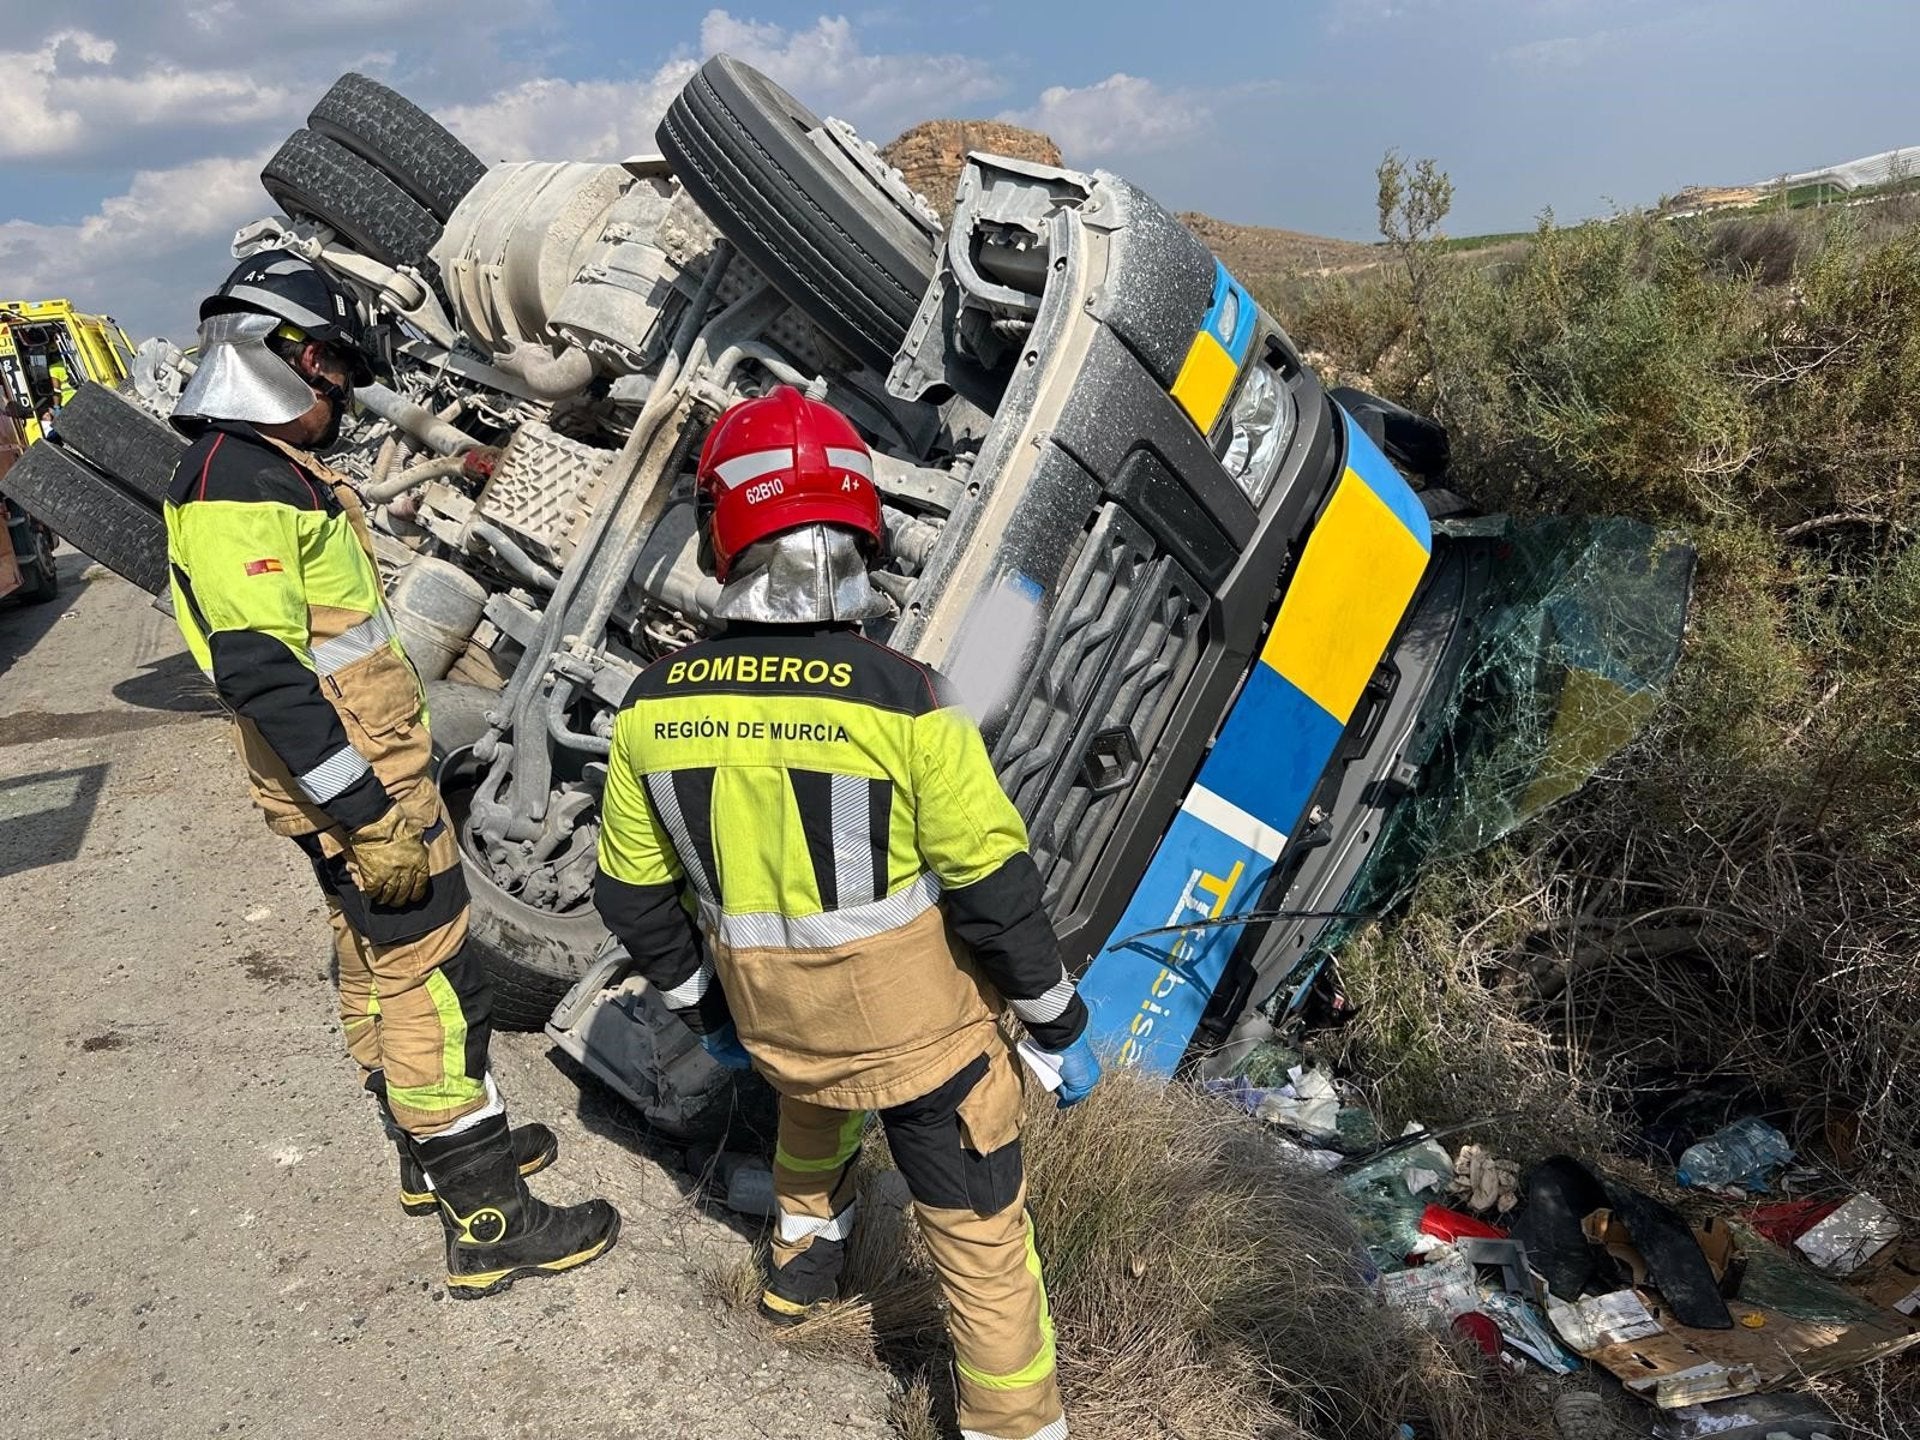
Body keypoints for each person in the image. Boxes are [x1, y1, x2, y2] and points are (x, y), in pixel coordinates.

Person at [594, 386, 1100, 1440]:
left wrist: (712, 1015)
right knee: (983, 1247)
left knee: (811, 1134)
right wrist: (1056, 1024)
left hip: (781, 1033)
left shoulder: (651, 707)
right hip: (923, 1047)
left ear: (723, 535)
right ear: (859, 528)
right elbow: (994, 888)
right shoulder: (909, 697)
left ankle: (792, 1292)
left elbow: (632, 895)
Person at [164, 252, 619, 1297]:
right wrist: (367, 814)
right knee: (436, 984)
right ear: (274, 356)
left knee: (375, 968)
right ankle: (489, 1214)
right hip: (359, 787)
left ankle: (436, 1152)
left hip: (354, 781)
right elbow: (263, 674)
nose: (339, 388)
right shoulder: (235, 481)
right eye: (328, 364)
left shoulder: (259, 466)